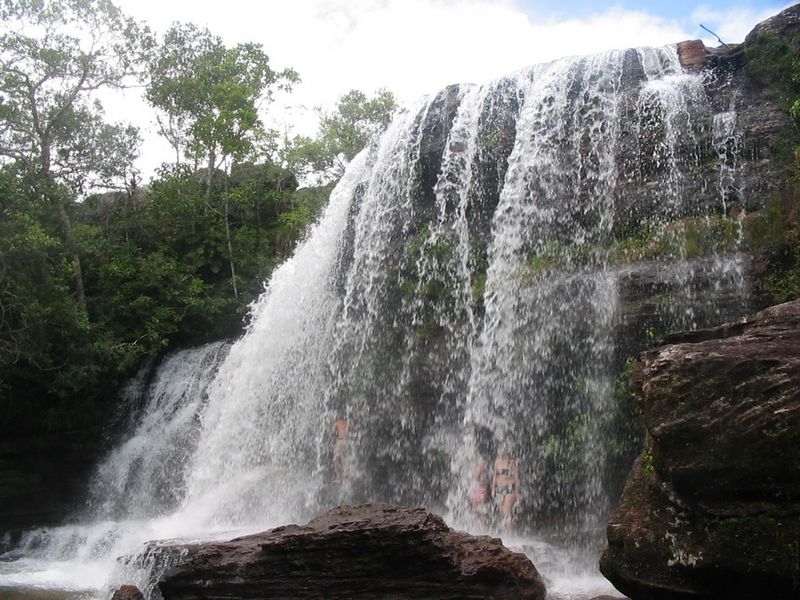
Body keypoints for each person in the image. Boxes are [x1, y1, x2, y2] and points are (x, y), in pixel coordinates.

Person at [492, 449, 520, 534]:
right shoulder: (497, 462)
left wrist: (517, 492)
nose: (504, 451)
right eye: (502, 450)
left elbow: (517, 478)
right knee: (502, 514)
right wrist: (493, 488)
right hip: (499, 489)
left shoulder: (513, 463)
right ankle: (510, 531)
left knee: (506, 511)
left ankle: (511, 534)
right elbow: (495, 476)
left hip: (509, 489)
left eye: (506, 450)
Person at [469, 457, 492, 526]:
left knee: (478, 510)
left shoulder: (478, 467)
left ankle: (479, 526)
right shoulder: (480, 467)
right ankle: (480, 526)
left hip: (478, 489)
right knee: (478, 510)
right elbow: (477, 477)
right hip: (478, 489)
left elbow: (476, 477)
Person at [331, 417, 351, 484]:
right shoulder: (347, 423)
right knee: (344, 457)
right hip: (348, 442)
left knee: (336, 458)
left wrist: (327, 442)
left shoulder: (337, 423)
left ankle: (339, 477)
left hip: (340, 441)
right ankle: (346, 473)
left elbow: (332, 432)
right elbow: (354, 429)